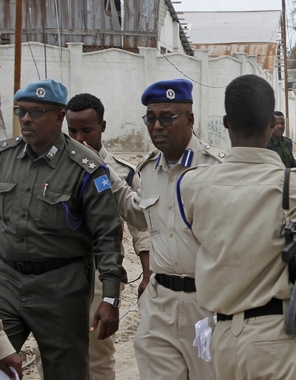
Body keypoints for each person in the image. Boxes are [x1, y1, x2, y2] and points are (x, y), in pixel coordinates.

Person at [177, 74, 296, 379]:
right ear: (272, 124)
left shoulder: (192, 185)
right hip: (276, 336)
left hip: (222, 338)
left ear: (227, 123)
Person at [0, 79, 126, 378]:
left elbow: (107, 236)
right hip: (7, 282)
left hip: (61, 291)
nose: (27, 119)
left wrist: (110, 298)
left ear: (59, 117)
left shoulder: (86, 168)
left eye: (36, 112)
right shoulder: (4, 159)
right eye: (22, 112)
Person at [107, 79, 222, 379]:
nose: (157, 126)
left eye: (167, 118)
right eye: (151, 118)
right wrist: (103, 170)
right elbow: (138, 214)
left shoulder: (216, 168)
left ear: (190, 119)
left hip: (207, 305)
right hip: (160, 304)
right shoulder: (147, 170)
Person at [63, 93, 151, 380]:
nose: (79, 137)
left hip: (101, 275)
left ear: (102, 126)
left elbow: (142, 229)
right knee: (51, 352)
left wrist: (148, 274)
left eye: (86, 130)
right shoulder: (54, 169)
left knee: (97, 357)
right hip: (56, 275)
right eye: (72, 130)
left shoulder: (122, 173)